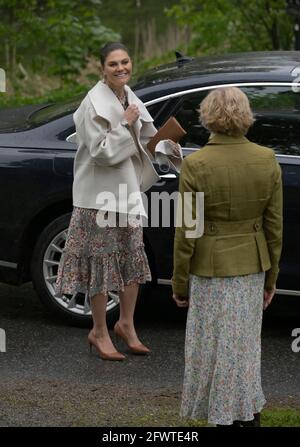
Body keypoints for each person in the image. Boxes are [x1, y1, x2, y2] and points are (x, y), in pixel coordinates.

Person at [172, 87, 283, 426]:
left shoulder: (196, 164)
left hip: (208, 269)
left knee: (210, 348)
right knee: (244, 349)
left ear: (208, 117)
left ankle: (218, 414)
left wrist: (180, 283)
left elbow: (187, 232)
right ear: (245, 115)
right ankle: (248, 414)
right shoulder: (267, 160)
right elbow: (274, 229)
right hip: (251, 267)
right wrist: (271, 278)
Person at [55, 42, 162, 361]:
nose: (120, 68)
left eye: (125, 62)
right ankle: (99, 330)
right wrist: (127, 123)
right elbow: (102, 152)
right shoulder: (92, 103)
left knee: (132, 259)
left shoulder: (129, 96)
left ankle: (126, 325)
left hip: (126, 193)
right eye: (113, 64)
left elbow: (144, 138)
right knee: (100, 265)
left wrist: (163, 145)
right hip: (97, 197)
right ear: (102, 68)